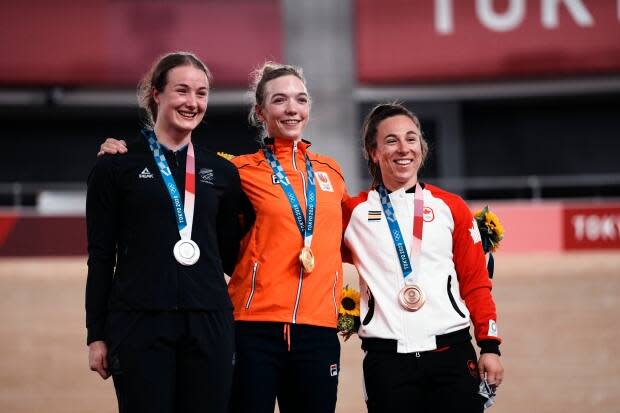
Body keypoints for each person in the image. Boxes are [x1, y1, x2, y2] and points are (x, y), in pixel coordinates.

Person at [97, 62, 347, 413]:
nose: (292, 108)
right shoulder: (237, 171)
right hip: (251, 325)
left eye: (301, 99)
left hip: (317, 328)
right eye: (280, 100)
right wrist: (121, 150)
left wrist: (349, 307)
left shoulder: (332, 173)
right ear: (260, 112)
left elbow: (351, 239)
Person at [86, 51, 248, 413]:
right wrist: (96, 334)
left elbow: (232, 253)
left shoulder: (222, 172)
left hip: (209, 323)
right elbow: (100, 256)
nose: (193, 102)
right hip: (138, 323)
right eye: (182, 91)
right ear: (156, 94)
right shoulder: (116, 166)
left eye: (202, 93)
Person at [341, 103, 504, 413]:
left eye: (411, 138)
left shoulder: (450, 207)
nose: (404, 148)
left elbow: (475, 282)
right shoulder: (354, 213)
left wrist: (490, 345)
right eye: (391, 140)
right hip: (387, 363)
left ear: (422, 147)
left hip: (452, 356)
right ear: (373, 152)